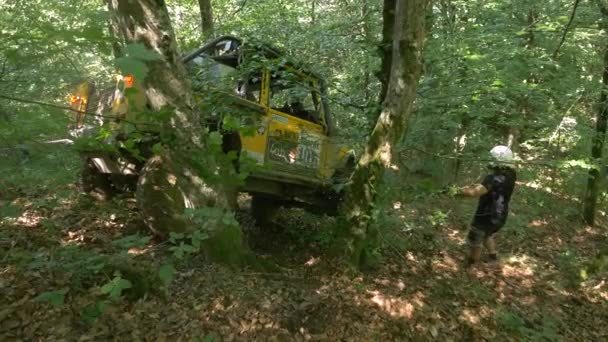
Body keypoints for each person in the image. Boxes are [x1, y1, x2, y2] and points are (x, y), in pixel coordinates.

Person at [453, 145, 517, 267]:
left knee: (475, 236)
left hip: (486, 215)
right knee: (487, 234)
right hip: (500, 215)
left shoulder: (492, 178)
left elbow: (475, 192)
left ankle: (470, 265)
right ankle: (494, 257)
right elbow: (488, 188)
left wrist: (455, 191)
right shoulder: (511, 176)